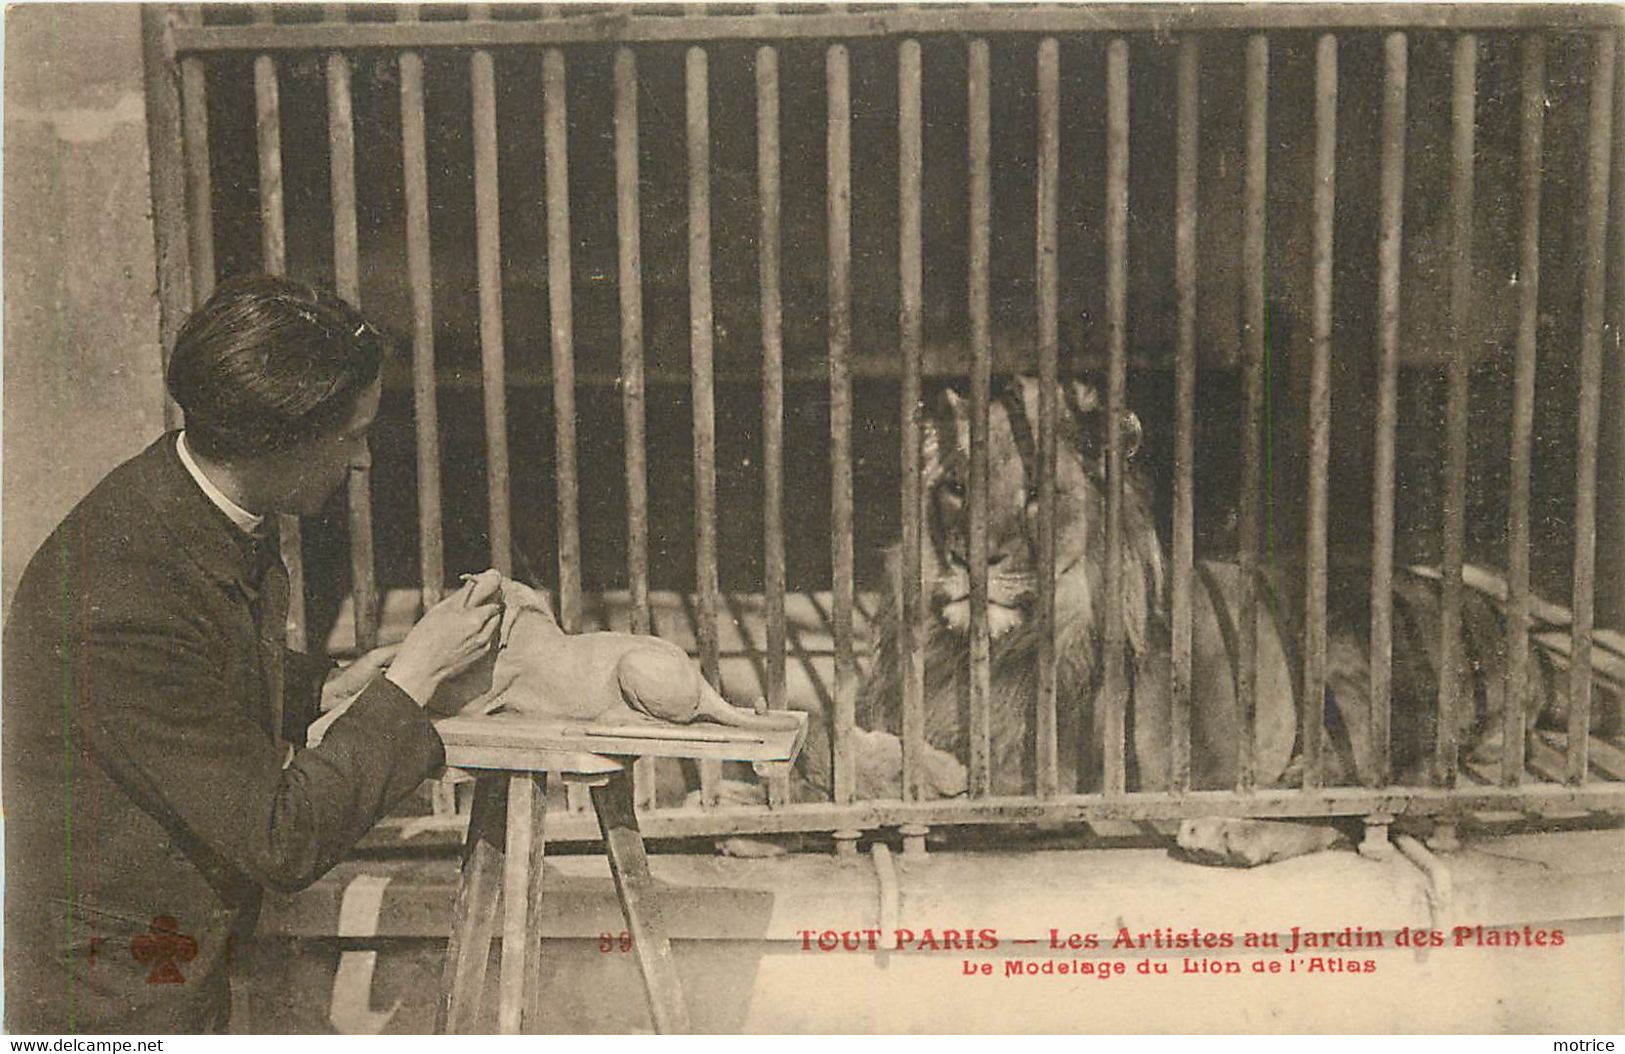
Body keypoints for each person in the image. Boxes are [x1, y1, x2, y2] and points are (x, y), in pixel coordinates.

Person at [3, 275, 503, 1033]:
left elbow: (195, 672)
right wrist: (414, 676)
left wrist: (329, 685)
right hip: (112, 996)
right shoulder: (123, 590)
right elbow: (280, 836)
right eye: (352, 435)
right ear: (279, 439)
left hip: (160, 959)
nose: (364, 461)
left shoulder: (187, 507)